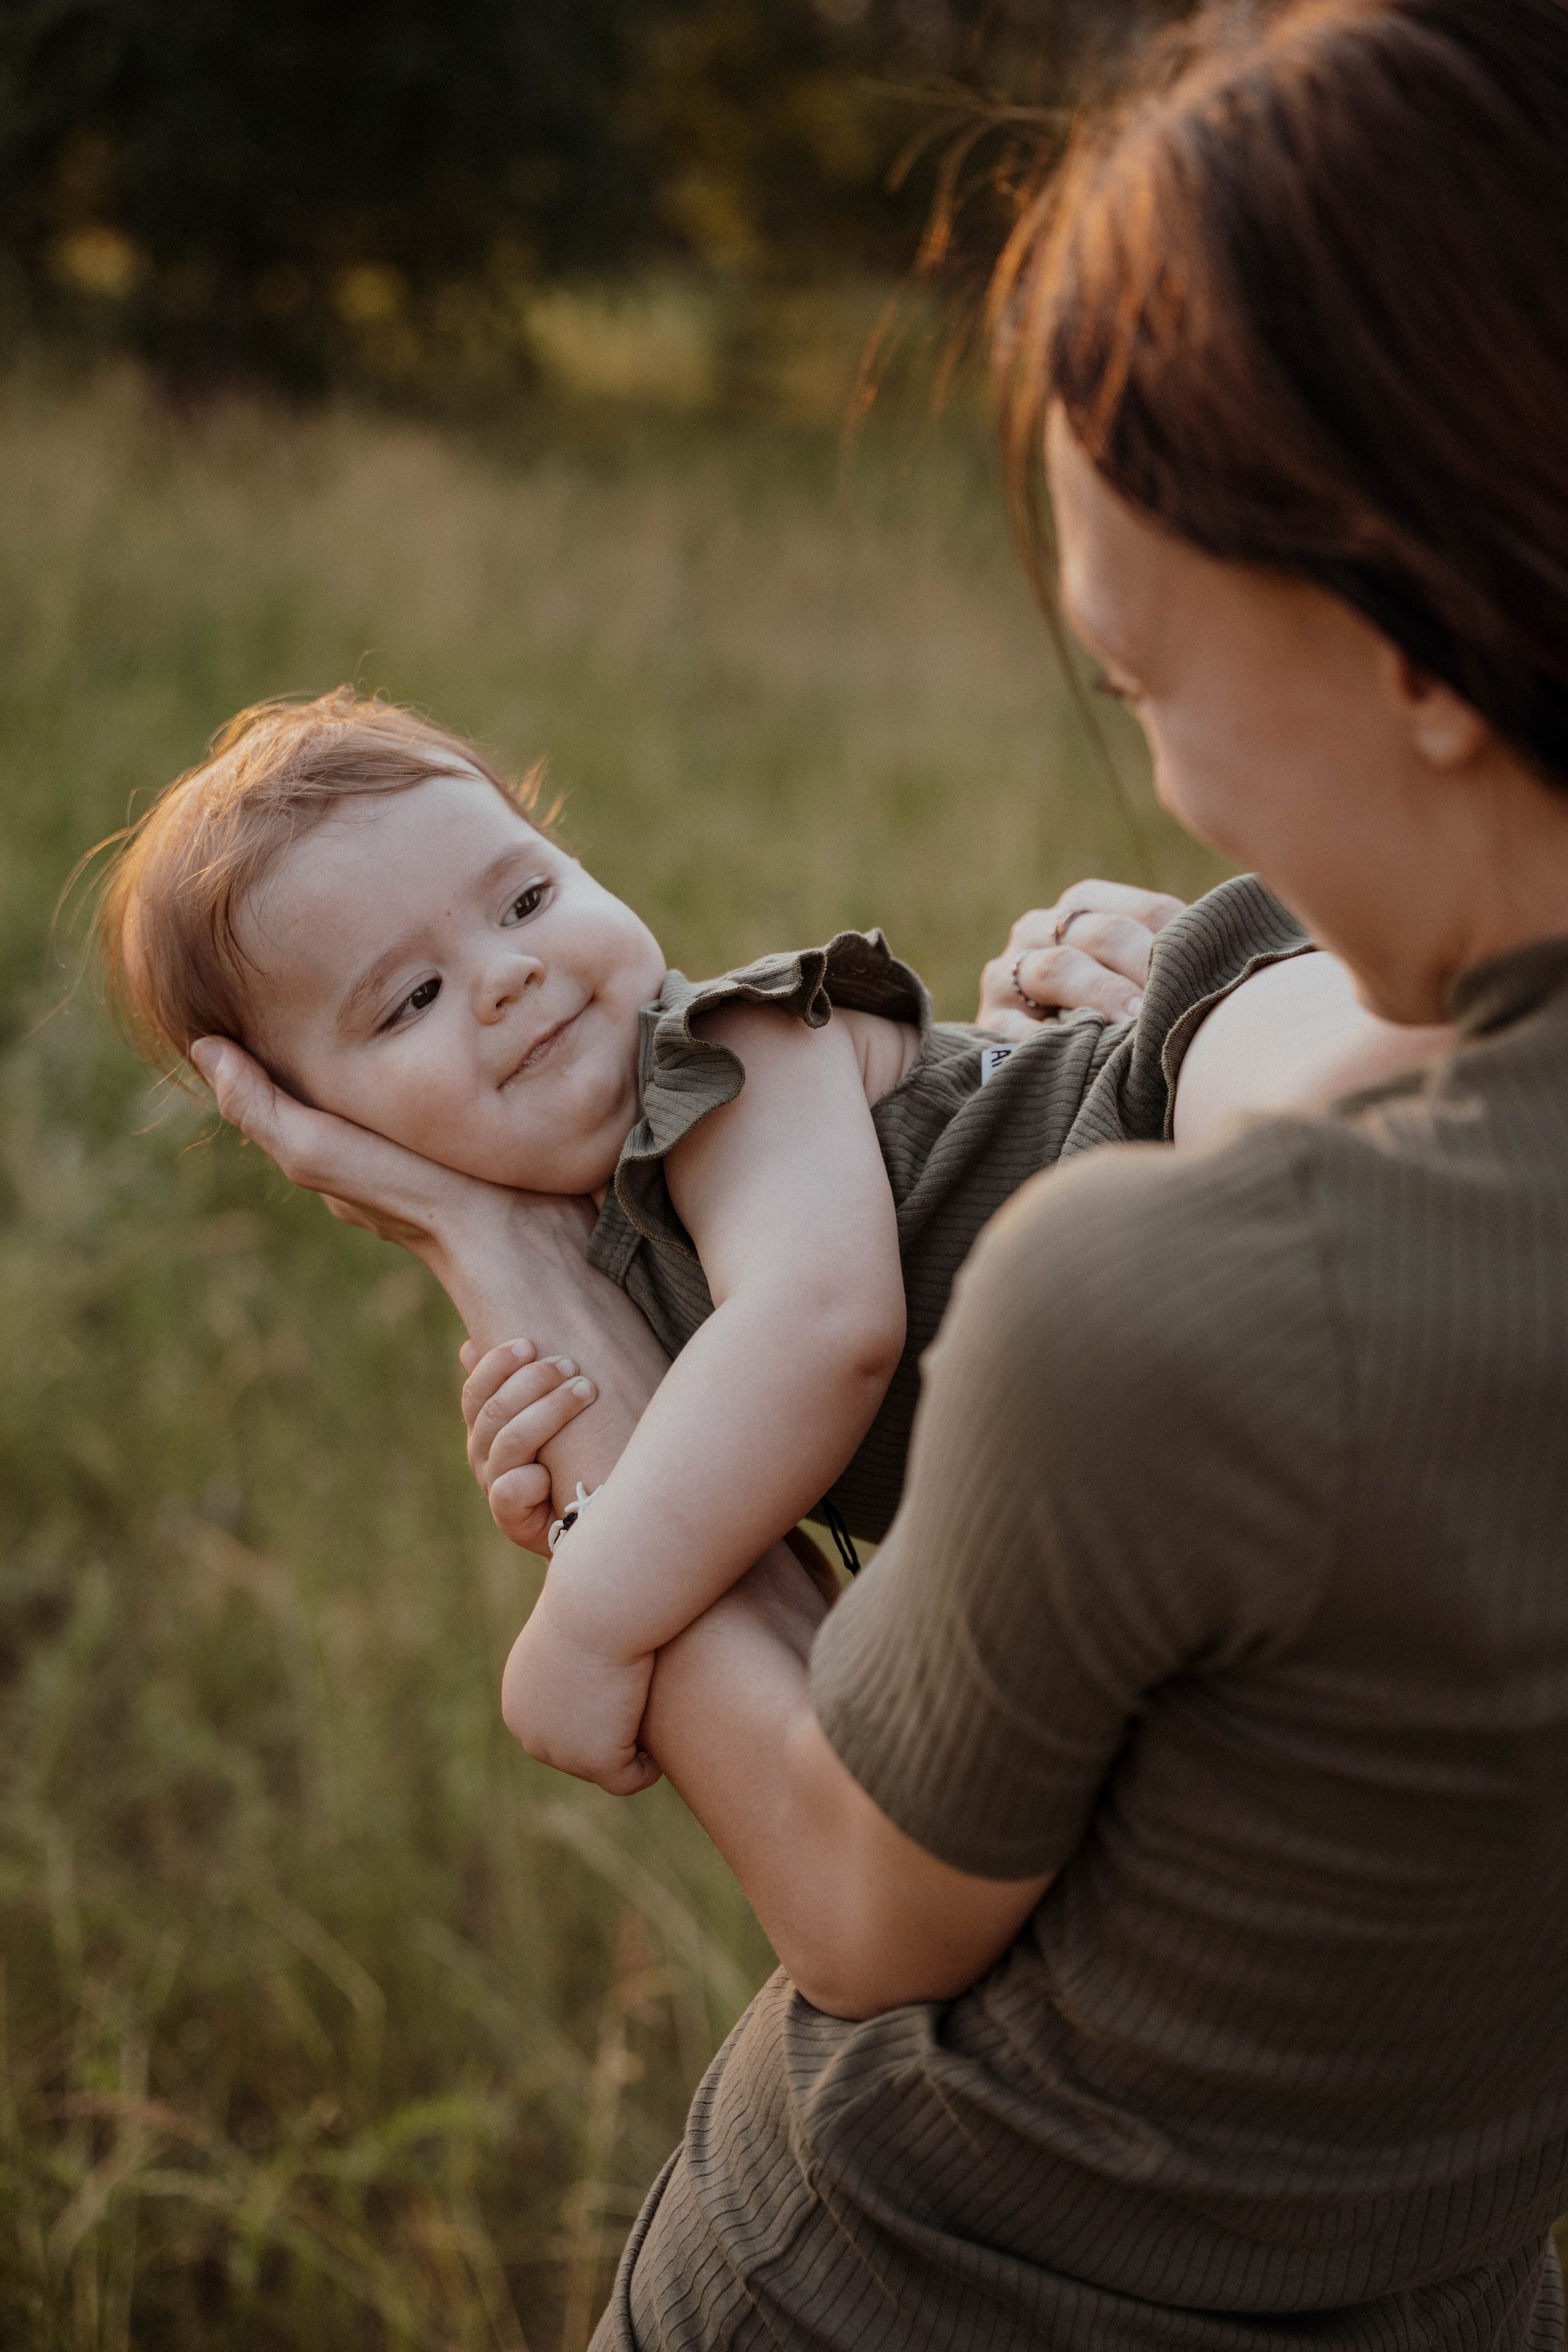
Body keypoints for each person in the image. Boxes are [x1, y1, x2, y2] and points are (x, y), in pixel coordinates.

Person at [187, 0, 1568, 2337]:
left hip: (922, 2278)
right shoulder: (1343, 1132)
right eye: (405, 1001)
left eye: (1142, 685)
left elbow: (861, 1888)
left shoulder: (1151, 1289)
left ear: (1422, 647)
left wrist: (570, 1434)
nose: (1173, 796)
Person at [99, 690, 1423, 1795]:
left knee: (1376, 1138)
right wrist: (587, 1492)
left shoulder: (723, 1055)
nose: (508, 974)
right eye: (412, 998)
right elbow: (738, 1473)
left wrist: (591, 1613)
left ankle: (1457, 1104)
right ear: (331, 1127)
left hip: (1174, 1097)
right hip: (1168, 1390)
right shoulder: (607, 1275)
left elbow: (822, 1329)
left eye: (525, 898)